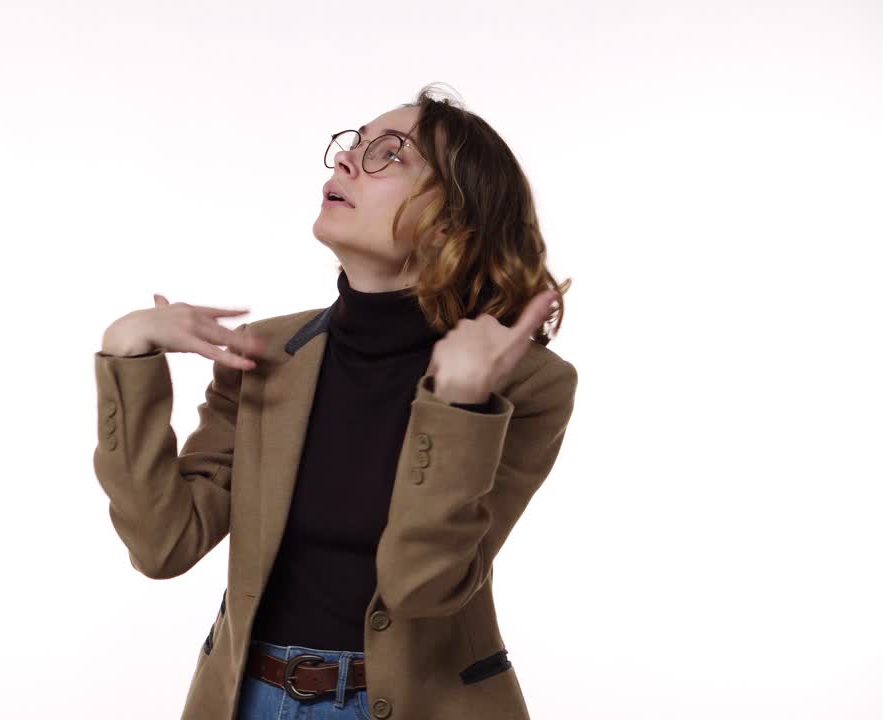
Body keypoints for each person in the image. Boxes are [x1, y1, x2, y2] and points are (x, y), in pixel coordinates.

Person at [93, 82, 577, 719]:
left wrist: (459, 407)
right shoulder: (266, 354)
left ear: (452, 220)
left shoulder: (527, 385)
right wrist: (127, 357)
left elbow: (422, 585)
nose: (347, 159)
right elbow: (163, 545)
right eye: (353, 144)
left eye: (389, 154)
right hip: (247, 699)